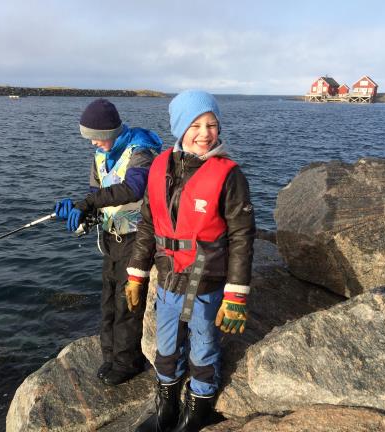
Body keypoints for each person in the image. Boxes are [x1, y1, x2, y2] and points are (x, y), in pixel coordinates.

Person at [125, 90, 256, 432]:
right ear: (180, 128)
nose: (204, 133)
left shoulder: (230, 176)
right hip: (168, 279)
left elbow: (242, 237)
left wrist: (236, 295)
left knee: (203, 347)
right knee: (166, 346)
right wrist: (137, 274)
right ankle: (167, 406)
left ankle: (197, 411)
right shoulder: (158, 166)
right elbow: (147, 224)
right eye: (195, 124)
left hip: (208, 282)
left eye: (211, 124)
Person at [55, 98, 162, 386]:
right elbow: (98, 195)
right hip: (111, 240)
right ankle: (110, 354)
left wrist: (88, 202)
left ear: (111, 131)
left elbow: (133, 188)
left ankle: (128, 362)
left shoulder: (141, 151)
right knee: (108, 300)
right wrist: (83, 216)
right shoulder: (100, 157)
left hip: (137, 239)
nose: (93, 144)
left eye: (97, 138)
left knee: (127, 302)